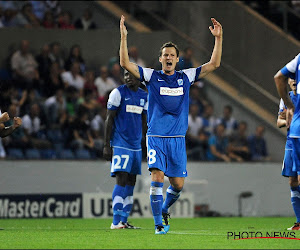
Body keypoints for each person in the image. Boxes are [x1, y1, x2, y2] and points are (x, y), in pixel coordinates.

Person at [119, 15, 222, 234]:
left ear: (177, 60)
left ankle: (165, 209)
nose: (168, 57)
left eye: (172, 55)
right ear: (160, 59)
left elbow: (214, 64)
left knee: (177, 185)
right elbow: (125, 63)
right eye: (165, 55)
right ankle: (158, 225)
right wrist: (123, 37)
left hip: (177, 140)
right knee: (157, 179)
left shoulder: (186, 77)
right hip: (156, 137)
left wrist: (218, 39)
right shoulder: (151, 76)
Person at [103, 70, 148, 230]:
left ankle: (124, 220)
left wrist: (147, 144)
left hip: (136, 146)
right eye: (126, 75)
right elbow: (109, 119)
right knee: (121, 179)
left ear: (139, 78)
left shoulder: (144, 96)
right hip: (120, 144)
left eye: (131, 75)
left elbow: (144, 121)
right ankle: (115, 222)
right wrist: (107, 145)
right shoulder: (118, 93)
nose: (128, 78)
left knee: (131, 182)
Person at [275, 56, 300, 230]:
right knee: (293, 181)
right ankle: (299, 221)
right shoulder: (286, 99)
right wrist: (287, 122)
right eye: (289, 79)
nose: (291, 81)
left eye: (293, 79)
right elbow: (279, 121)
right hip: (291, 142)